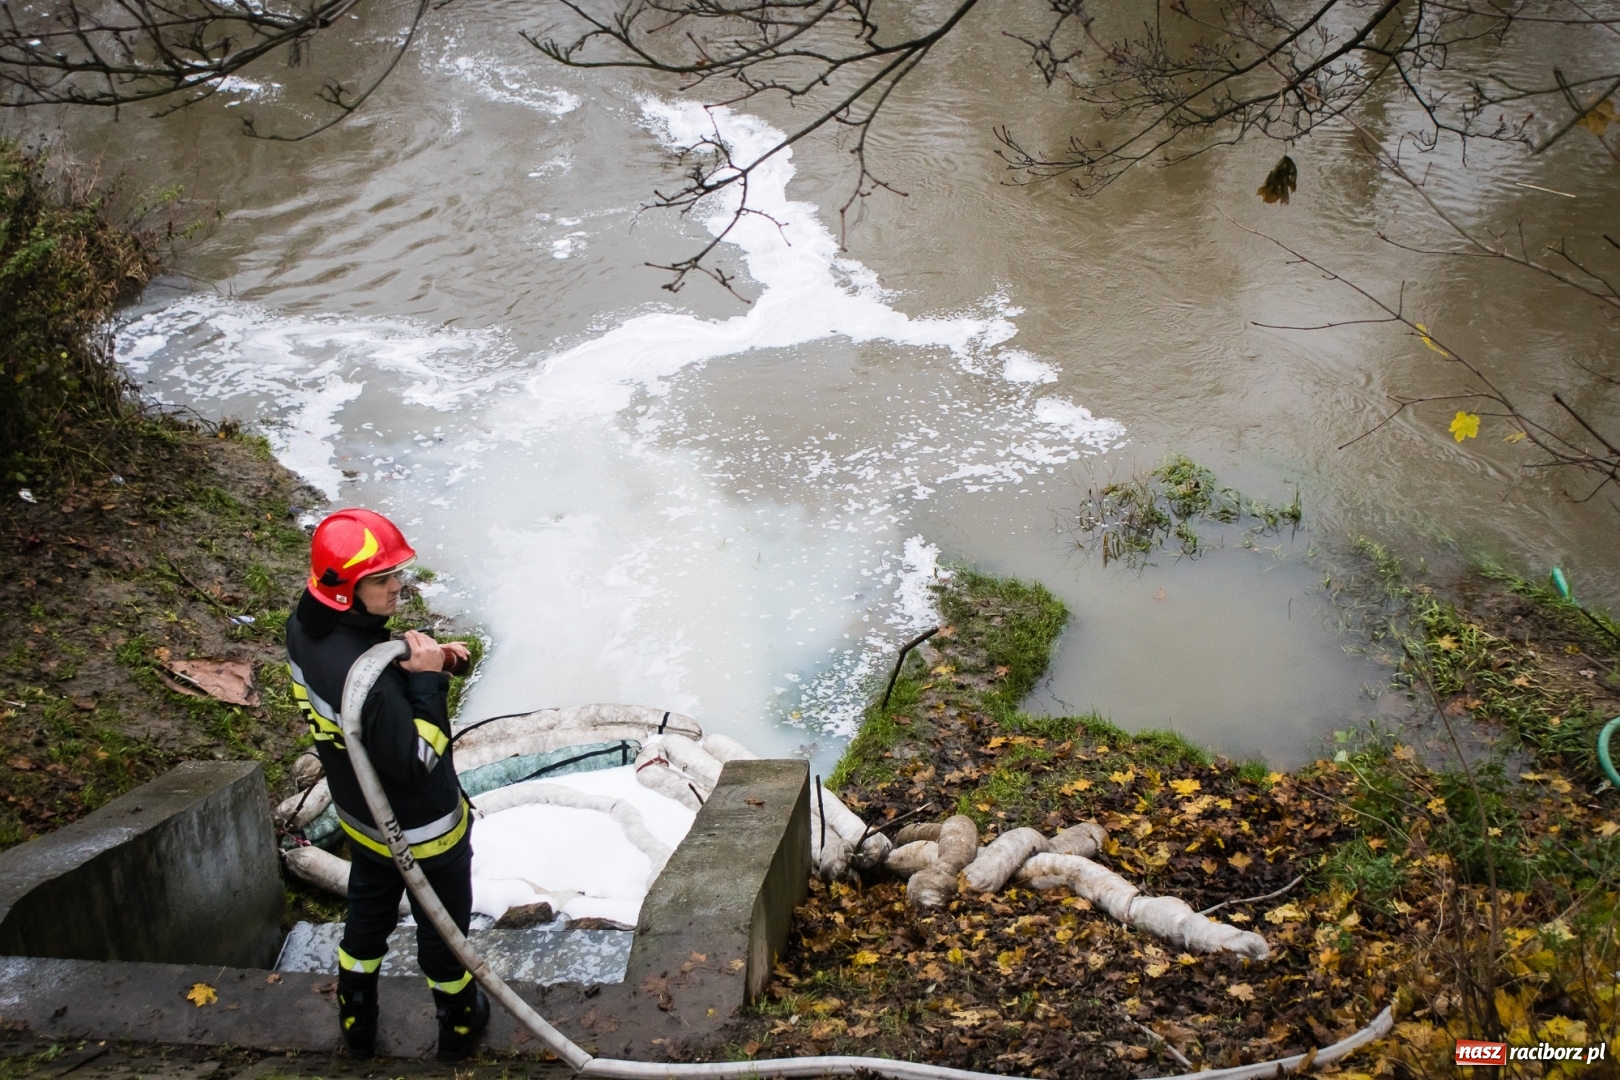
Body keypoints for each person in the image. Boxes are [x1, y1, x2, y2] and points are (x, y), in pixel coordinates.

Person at [285, 507, 487, 1061]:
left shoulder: (305, 630)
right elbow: (417, 759)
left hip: (362, 818)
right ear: (345, 590)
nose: (398, 585)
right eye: (381, 579)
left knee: (366, 917)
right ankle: (459, 1025)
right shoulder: (369, 688)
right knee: (444, 933)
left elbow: (352, 696)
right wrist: (426, 684)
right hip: (426, 833)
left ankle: (356, 1013)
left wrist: (408, 660)